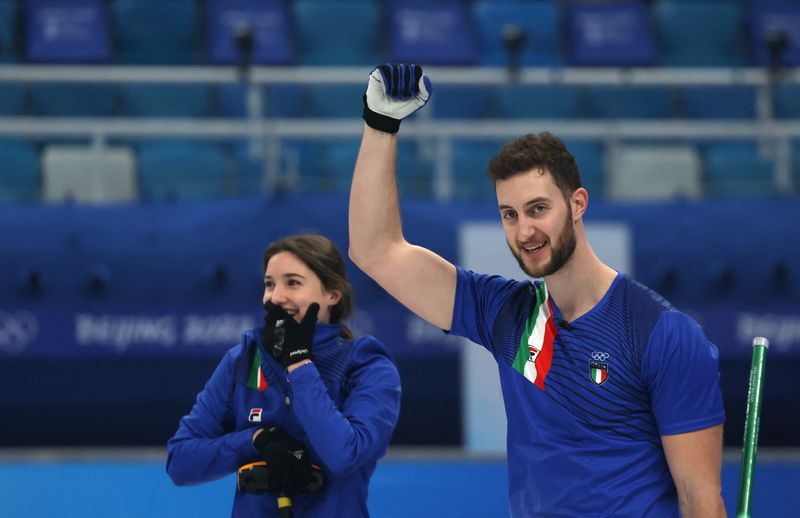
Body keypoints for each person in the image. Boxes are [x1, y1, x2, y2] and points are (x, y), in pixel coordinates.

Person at [349, 64, 726, 517]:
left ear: (577, 203)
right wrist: (380, 125)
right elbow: (375, 251)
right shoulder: (505, 314)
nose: (525, 230)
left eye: (538, 209)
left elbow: (699, 496)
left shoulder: (661, 333)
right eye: (509, 214)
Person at [167, 234, 402, 517]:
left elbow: (345, 454)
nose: (276, 297)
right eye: (269, 284)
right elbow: (180, 462)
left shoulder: (367, 365)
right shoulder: (243, 359)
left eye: (293, 282)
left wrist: (298, 363)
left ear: (332, 294)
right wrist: (255, 440)